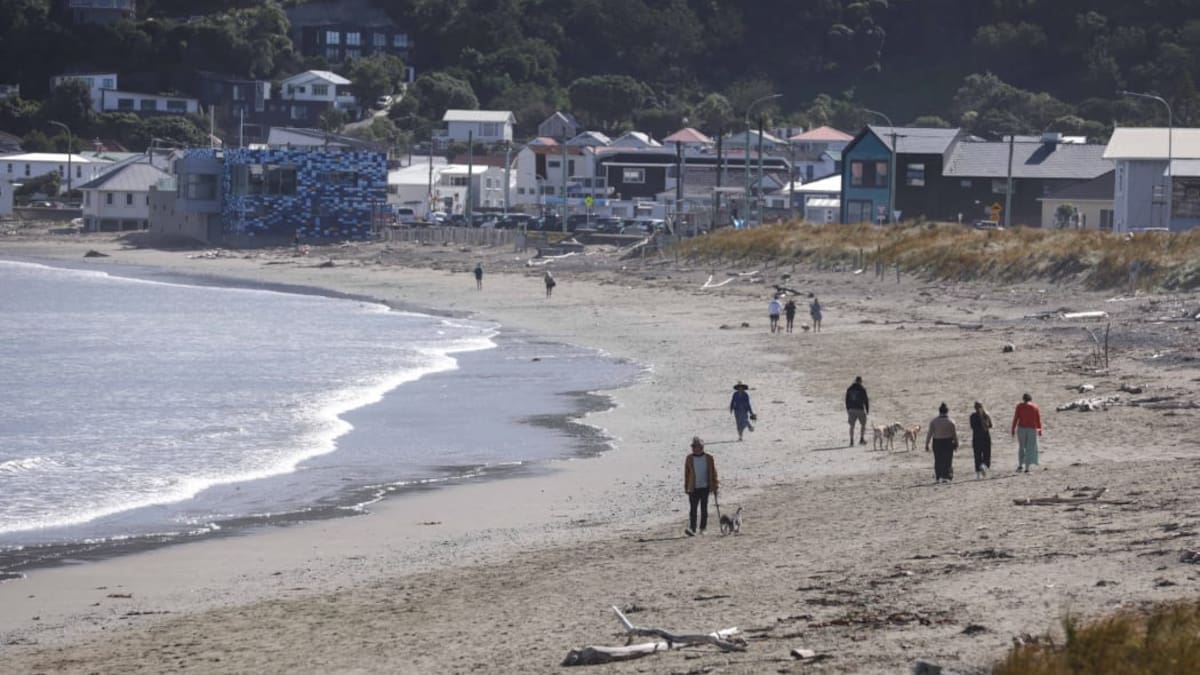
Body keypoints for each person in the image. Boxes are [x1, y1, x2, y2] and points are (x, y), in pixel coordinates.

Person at [684, 436, 718, 536]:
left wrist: (715, 485)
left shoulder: (709, 457)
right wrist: (686, 487)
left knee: (704, 509)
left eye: (695, 446)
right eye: (692, 446)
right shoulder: (689, 458)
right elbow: (687, 473)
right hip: (693, 487)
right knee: (693, 510)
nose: (693, 448)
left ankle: (703, 528)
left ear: (701, 447)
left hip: (705, 487)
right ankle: (692, 529)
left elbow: (713, 472)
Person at [925, 402, 959, 483]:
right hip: (948, 441)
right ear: (947, 411)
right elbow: (954, 434)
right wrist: (956, 443)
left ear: (939, 411)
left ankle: (938, 477)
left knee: (938, 460)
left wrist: (927, 444)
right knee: (948, 460)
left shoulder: (934, 421)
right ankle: (947, 476)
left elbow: (930, 433)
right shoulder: (951, 421)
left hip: (937, 442)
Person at [1011, 393, 1043, 473]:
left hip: (1021, 428)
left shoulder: (1019, 406)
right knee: (1029, 448)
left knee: (1021, 447)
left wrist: (1013, 429)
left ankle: (1020, 465)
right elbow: (1038, 420)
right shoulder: (1034, 407)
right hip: (1031, 429)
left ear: (1023, 399)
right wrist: (1040, 430)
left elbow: (1016, 418)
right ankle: (1027, 468)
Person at [969, 401, 993, 479]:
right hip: (986, 437)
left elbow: (972, 427)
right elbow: (990, 425)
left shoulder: (972, 416)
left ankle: (978, 475)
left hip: (976, 437)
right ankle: (984, 466)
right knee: (987, 455)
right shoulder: (986, 415)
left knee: (977, 456)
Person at [845, 376, 869, 446]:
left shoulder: (849, 388)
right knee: (863, 424)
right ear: (860, 381)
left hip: (851, 409)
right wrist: (867, 409)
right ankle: (861, 439)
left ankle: (851, 440)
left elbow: (846, 400)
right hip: (860, 409)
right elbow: (866, 400)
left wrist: (848, 409)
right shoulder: (862, 389)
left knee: (852, 426)